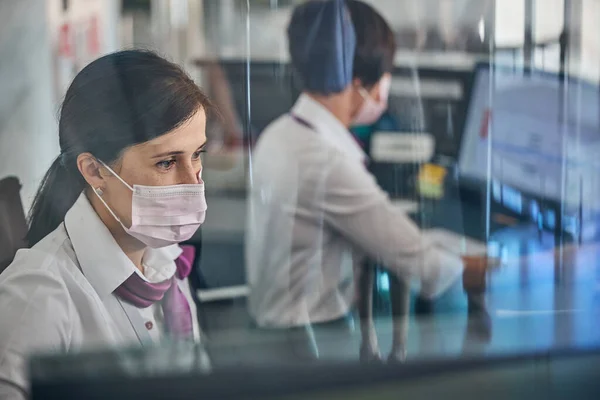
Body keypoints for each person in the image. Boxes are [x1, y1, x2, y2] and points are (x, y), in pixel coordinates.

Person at [246, 0, 491, 362]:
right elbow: (427, 268)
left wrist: (441, 246)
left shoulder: (281, 134)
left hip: (275, 333)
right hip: (309, 346)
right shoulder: (324, 159)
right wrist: (503, 268)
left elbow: (394, 239)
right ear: (360, 82)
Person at [0, 50, 211, 399]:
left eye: (197, 155)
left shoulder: (164, 264)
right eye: (166, 163)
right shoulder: (37, 297)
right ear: (95, 171)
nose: (193, 181)